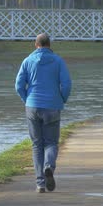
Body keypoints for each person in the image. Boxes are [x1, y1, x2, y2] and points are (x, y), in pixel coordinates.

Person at [15, 33, 72, 193]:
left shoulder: (27, 61)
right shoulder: (59, 61)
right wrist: (62, 99)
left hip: (32, 106)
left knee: (37, 145)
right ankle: (49, 166)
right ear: (49, 44)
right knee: (51, 143)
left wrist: (27, 100)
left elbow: (18, 85)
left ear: (36, 45)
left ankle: (40, 183)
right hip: (53, 105)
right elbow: (66, 84)